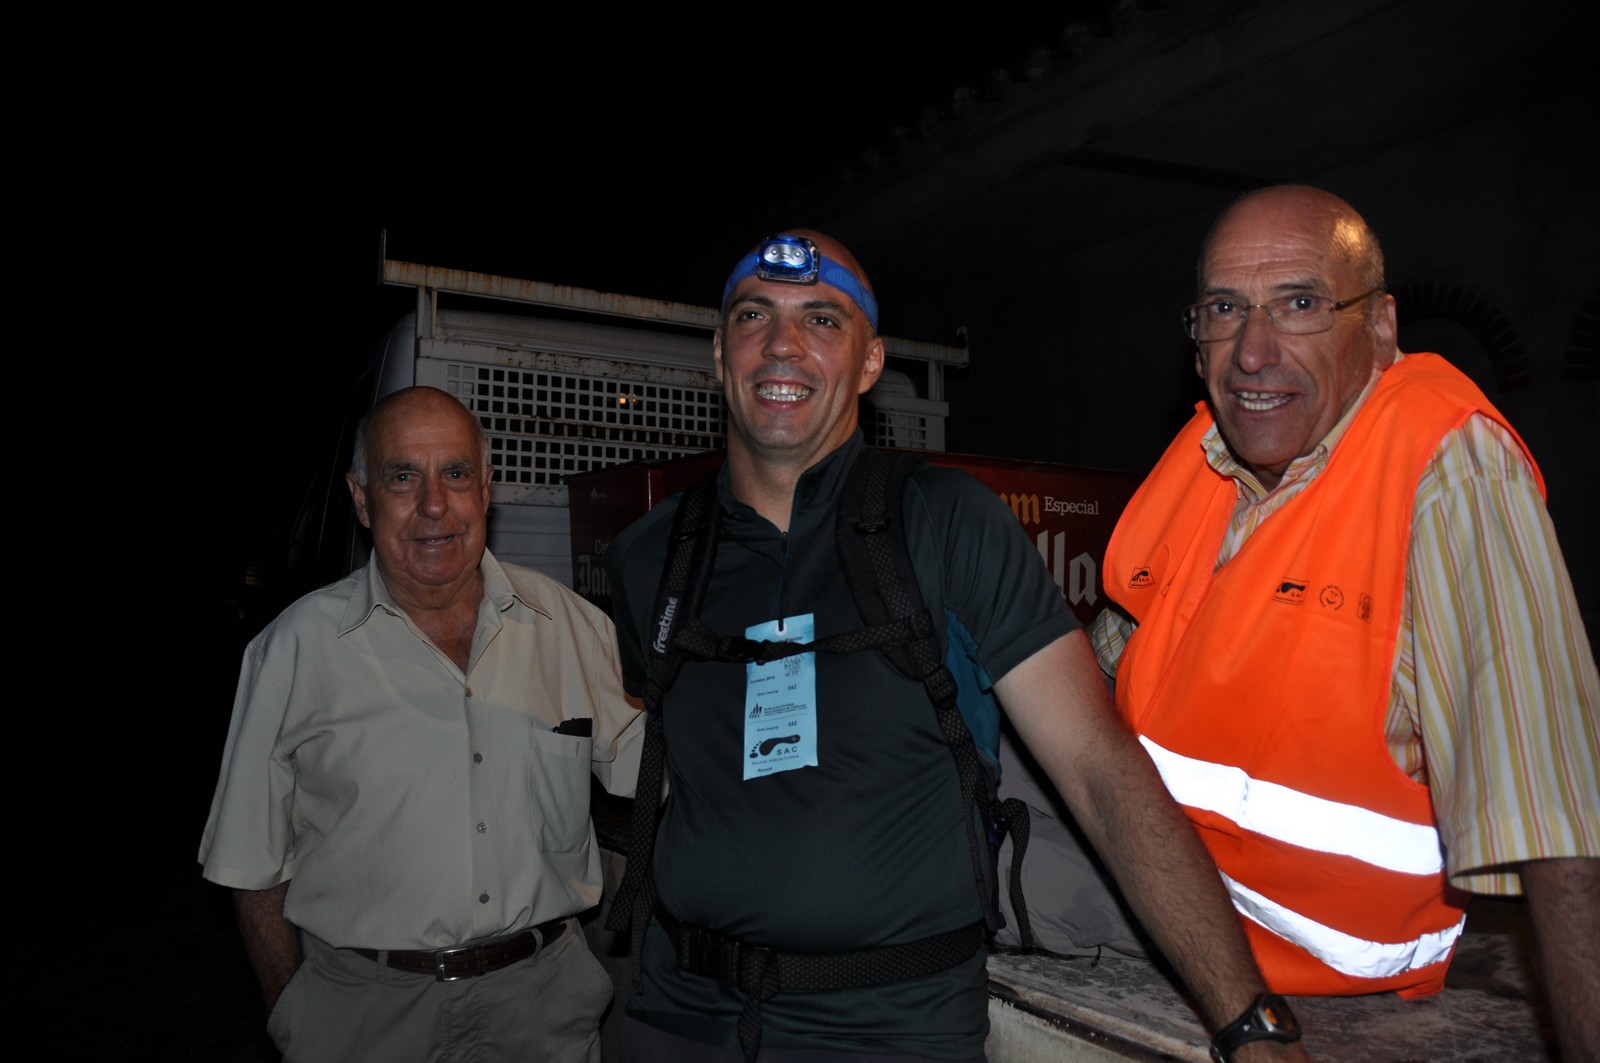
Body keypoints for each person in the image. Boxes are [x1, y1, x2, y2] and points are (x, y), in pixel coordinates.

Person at [605, 230, 1308, 1062]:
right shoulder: (652, 555)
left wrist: (1247, 1018)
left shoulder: (946, 522)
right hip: (676, 1017)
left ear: (870, 363)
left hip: (892, 1030)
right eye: (754, 316)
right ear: (721, 353)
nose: (783, 344)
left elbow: (1098, 766)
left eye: (822, 320)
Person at [1091, 185, 1599, 1060]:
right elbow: (1107, 661)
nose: (1252, 353)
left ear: (1382, 327)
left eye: (1299, 304)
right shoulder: (1206, 452)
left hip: (1304, 958)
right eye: (1225, 310)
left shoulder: (1450, 470)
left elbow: (1555, 815)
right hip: (1145, 884)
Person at [199, 386, 645, 1061]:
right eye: (403, 477)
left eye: (455, 473)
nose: (434, 504)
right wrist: (294, 1012)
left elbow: (663, 766)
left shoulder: (569, 626)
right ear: (361, 499)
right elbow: (250, 865)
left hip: (541, 1009)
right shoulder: (294, 650)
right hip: (364, 1018)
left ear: (486, 488)